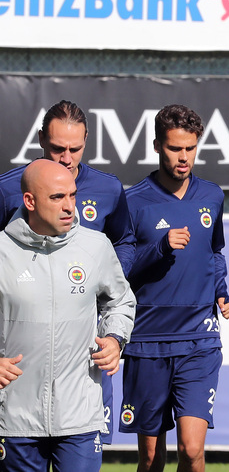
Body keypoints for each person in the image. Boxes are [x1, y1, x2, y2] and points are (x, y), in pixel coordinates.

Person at [0, 100, 134, 445]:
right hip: (22, 362)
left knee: (84, 441)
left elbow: (124, 242)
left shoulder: (108, 189)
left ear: (86, 141)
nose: (66, 157)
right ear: (42, 139)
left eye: (75, 148)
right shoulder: (9, 188)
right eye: (57, 148)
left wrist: (103, 281)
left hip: (80, 357)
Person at [121, 105, 229, 472]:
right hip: (147, 340)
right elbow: (120, 271)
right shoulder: (133, 201)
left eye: (190, 148)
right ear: (157, 146)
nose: (183, 157)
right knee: (152, 458)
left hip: (198, 340)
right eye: (174, 148)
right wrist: (160, 247)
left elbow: (214, 253)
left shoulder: (212, 196)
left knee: (191, 450)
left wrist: (221, 290)